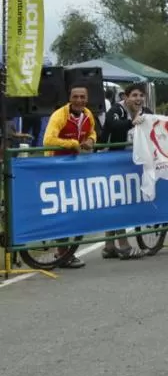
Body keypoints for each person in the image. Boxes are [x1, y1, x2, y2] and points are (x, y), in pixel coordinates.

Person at [43, 84, 99, 268]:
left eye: (83, 97)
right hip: (56, 168)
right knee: (61, 210)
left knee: (72, 209)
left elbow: (92, 131)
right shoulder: (59, 115)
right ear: (70, 98)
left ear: (87, 98)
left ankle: (66, 253)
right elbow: (48, 140)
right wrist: (73, 143)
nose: (79, 100)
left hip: (75, 169)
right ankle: (62, 253)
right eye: (75, 97)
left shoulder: (88, 114)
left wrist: (91, 140)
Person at [101, 82, 153, 259]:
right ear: (126, 97)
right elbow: (113, 125)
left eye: (141, 96)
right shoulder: (116, 110)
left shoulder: (146, 112)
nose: (138, 99)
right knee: (118, 202)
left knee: (116, 202)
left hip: (130, 163)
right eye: (134, 95)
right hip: (110, 161)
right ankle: (123, 246)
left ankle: (109, 246)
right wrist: (131, 123)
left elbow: (156, 124)